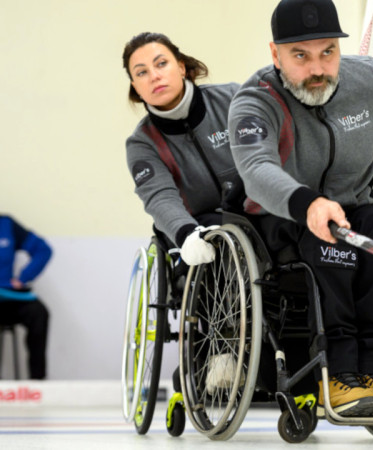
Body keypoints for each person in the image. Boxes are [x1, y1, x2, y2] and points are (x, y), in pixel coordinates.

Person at [229, 0, 373, 417]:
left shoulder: (372, 81)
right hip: (280, 218)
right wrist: (309, 203)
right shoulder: (253, 102)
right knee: (327, 239)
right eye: (300, 55)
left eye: (327, 52)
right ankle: (339, 374)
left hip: (352, 208)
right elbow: (255, 167)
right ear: (275, 54)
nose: (317, 69)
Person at [122, 32, 241, 390]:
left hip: (257, 212)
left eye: (161, 64)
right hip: (198, 227)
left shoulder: (234, 100)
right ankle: (221, 351)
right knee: (215, 240)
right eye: (141, 72)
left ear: (183, 67)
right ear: (135, 87)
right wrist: (185, 232)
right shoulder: (142, 143)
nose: (154, 76)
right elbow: (159, 197)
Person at [0, 215, 52, 380]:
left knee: (39, 313)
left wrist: (22, 278)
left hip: (8, 297)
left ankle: (38, 382)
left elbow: (44, 250)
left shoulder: (6, 225)